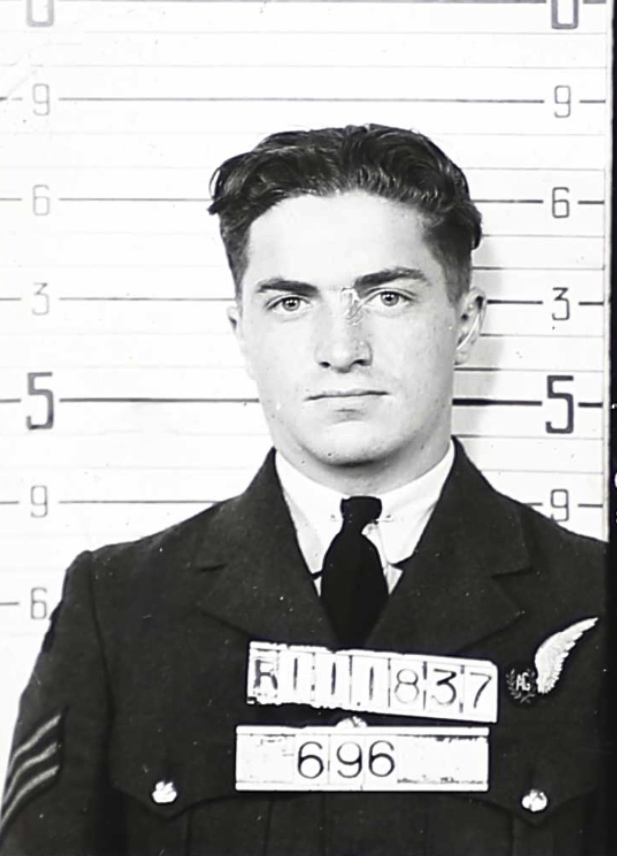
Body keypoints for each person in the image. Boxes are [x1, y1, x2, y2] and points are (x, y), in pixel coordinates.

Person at [0, 124, 606, 856]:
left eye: (388, 297)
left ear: (465, 323)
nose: (341, 349)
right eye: (290, 303)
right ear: (242, 331)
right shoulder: (119, 607)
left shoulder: (593, 600)